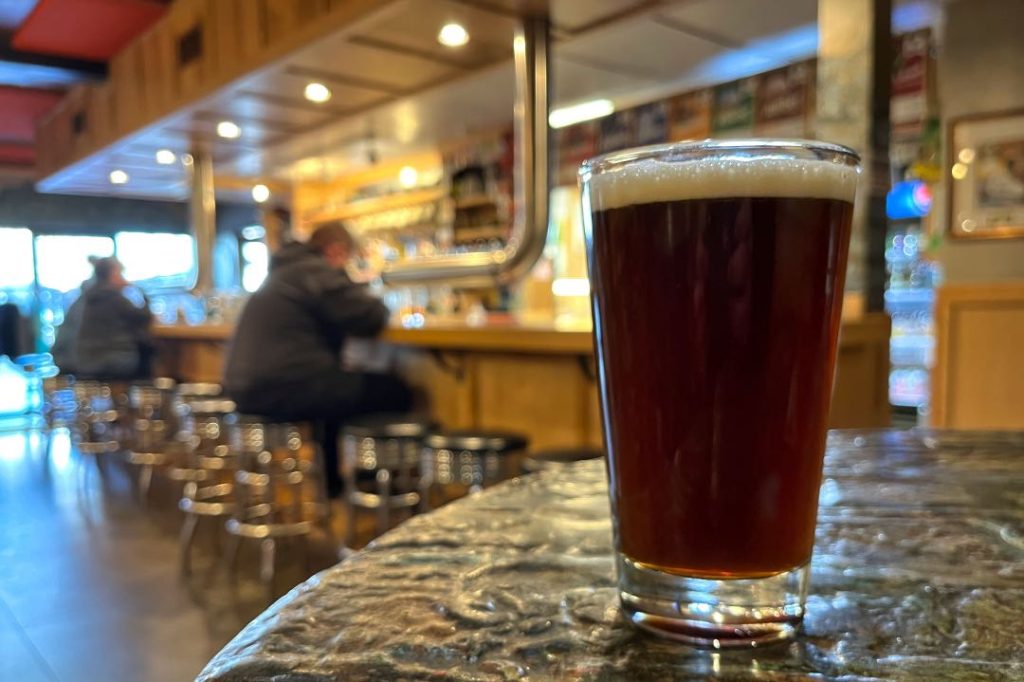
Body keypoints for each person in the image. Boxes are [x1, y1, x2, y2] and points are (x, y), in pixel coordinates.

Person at [224, 223, 413, 497]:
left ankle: (334, 485)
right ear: (336, 252)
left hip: (247, 389)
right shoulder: (313, 271)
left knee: (335, 393)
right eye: (346, 258)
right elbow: (369, 315)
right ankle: (373, 485)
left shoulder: (285, 271)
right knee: (394, 391)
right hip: (279, 388)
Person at [75, 257, 154, 380]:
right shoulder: (113, 297)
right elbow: (143, 318)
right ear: (113, 273)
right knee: (148, 355)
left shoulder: (89, 296)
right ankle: (137, 395)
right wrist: (143, 294)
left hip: (87, 360)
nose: (123, 277)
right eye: (121, 273)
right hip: (114, 360)